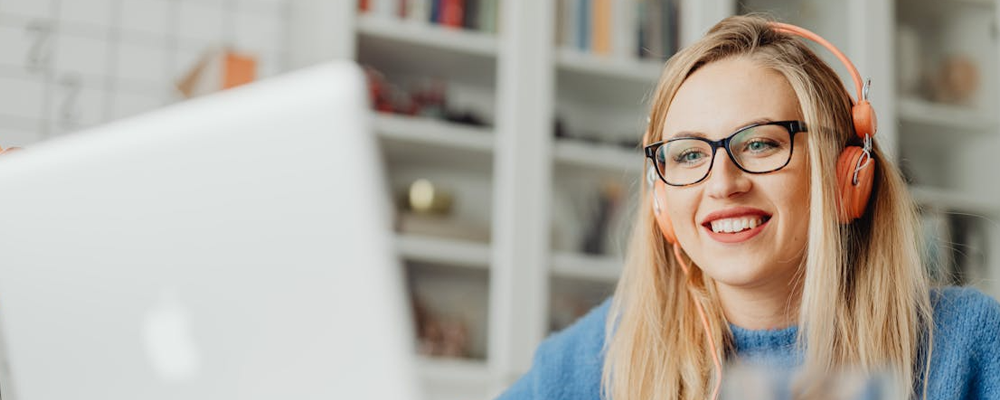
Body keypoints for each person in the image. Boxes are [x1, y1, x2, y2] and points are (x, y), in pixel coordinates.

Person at [498, 15, 1000, 400]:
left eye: (760, 143)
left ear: (849, 176)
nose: (722, 183)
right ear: (661, 202)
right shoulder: (606, 349)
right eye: (690, 154)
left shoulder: (968, 343)